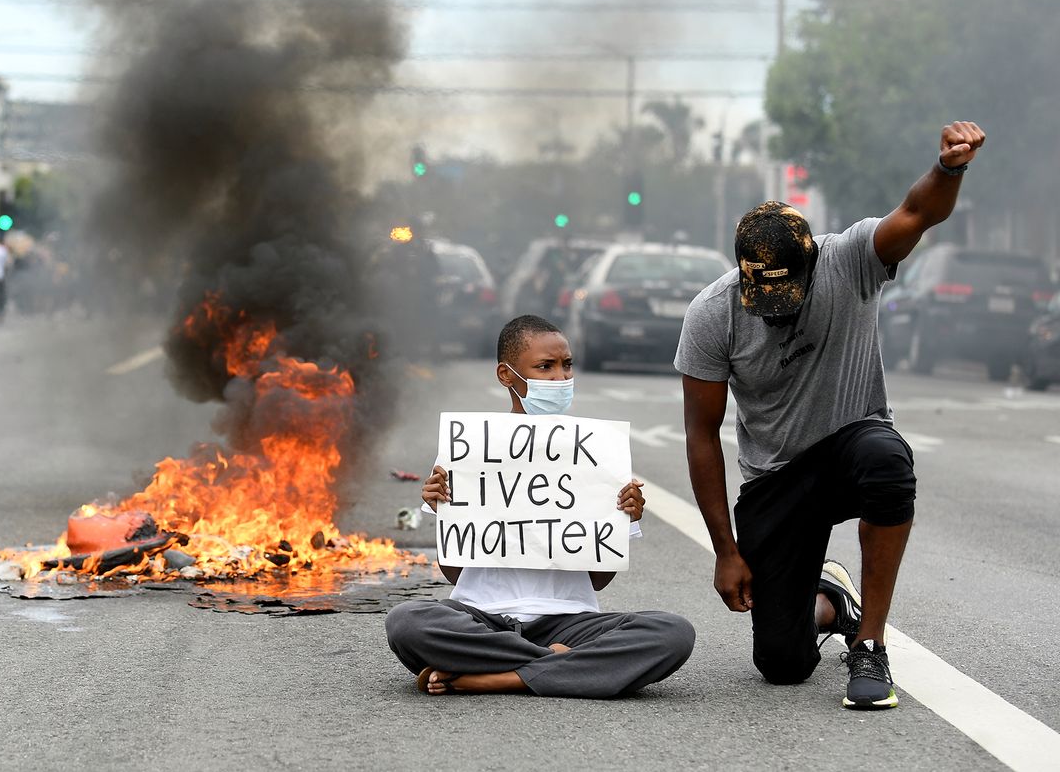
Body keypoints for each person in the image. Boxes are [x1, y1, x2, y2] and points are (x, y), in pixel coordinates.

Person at [674, 121, 986, 710]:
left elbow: (919, 211)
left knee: (887, 457)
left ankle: (870, 643)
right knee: (783, 663)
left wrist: (949, 168)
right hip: (775, 480)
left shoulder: (850, 259)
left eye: (784, 296)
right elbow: (700, 435)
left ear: (812, 261)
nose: (772, 311)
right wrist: (725, 549)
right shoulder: (712, 314)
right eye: (759, 296)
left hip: (849, 444)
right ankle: (831, 602)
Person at [384, 314, 695, 698]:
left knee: (673, 633)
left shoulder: (597, 451)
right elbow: (453, 573)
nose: (560, 378)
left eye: (566, 366)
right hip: (482, 618)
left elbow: (598, 580)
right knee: (407, 622)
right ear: (506, 374)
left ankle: (496, 676)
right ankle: (559, 665)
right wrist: (444, 508)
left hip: (568, 621)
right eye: (545, 367)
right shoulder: (469, 450)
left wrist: (621, 517)